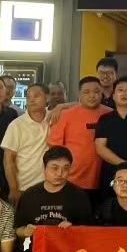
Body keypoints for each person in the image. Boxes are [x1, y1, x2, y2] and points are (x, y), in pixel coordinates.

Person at [12, 146, 93, 252]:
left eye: (65, 169)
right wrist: (26, 231)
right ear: (44, 168)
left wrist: (73, 229)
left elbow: (89, 231)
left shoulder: (78, 196)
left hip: (69, 251)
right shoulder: (29, 195)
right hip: (38, 251)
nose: (60, 174)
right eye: (54, 168)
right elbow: (17, 229)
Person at [46, 76, 111, 209]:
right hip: (73, 178)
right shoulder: (66, 115)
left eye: (96, 91)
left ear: (102, 93)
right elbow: (54, 147)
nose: (92, 95)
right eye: (87, 92)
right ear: (79, 95)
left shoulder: (110, 114)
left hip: (104, 178)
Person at [0, 83, 50, 205]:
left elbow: (78, 105)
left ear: (47, 98)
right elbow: (8, 160)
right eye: (28, 96)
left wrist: (61, 107)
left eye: (36, 95)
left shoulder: (54, 118)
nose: (31, 99)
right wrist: (13, 188)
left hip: (52, 185)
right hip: (25, 187)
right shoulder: (16, 125)